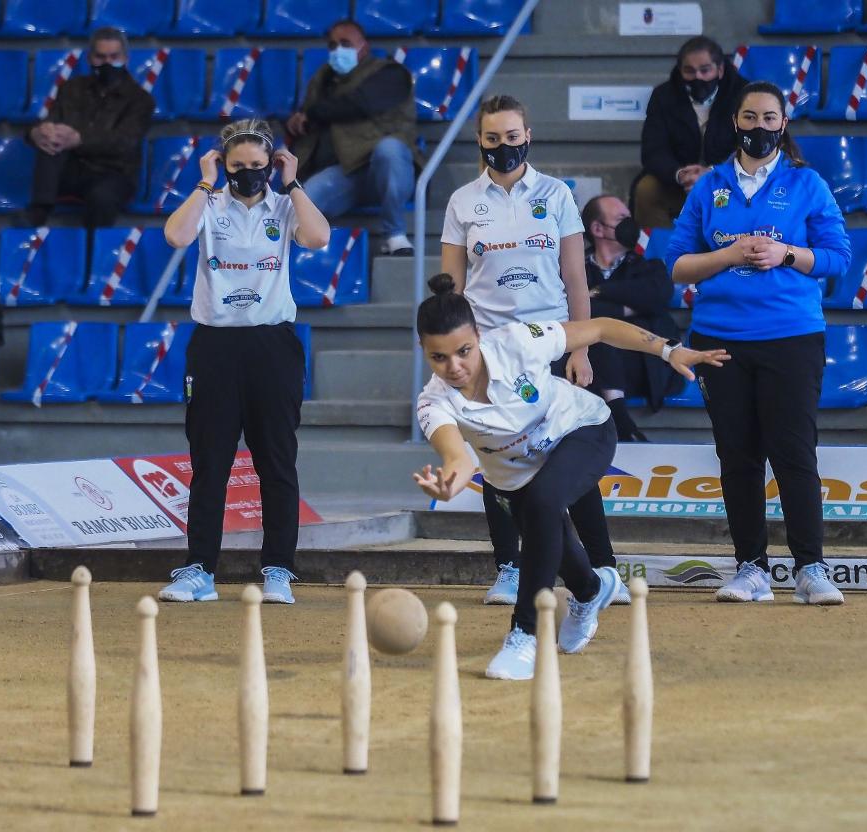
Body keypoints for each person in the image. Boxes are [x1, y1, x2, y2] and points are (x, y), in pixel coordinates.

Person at [413, 274, 729, 679]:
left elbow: (599, 328)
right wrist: (452, 481)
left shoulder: (516, 341)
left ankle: (524, 634)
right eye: (439, 358)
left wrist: (669, 351)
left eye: (464, 351)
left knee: (545, 502)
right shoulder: (433, 401)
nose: (455, 366)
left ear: (479, 335)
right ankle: (591, 591)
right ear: (423, 351)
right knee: (548, 527)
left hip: (582, 429)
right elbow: (456, 454)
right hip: (515, 475)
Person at [664, 81, 852, 605]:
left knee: (793, 454)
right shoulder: (710, 186)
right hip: (719, 340)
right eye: (750, 118)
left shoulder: (807, 183)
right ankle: (751, 568)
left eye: (770, 119)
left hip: (791, 337)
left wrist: (785, 254)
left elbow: (839, 258)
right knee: (737, 457)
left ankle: (811, 569)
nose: (760, 128)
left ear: (783, 125)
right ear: (735, 123)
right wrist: (727, 256)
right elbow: (677, 263)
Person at [439, 94, 610, 609]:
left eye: (512, 137)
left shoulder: (556, 195)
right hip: (487, 350)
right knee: (498, 458)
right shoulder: (463, 202)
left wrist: (580, 347)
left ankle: (601, 567)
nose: (503, 147)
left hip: (550, 343)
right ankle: (510, 568)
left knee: (564, 454)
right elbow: (450, 286)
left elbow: (575, 276)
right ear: (480, 141)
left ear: (528, 136)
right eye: (493, 139)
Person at [157, 119, 331, 606]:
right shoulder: (209, 205)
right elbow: (175, 236)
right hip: (214, 345)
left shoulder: (283, 205)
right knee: (209, 461)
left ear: (272, 165)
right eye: (238, 166)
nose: (249, 173)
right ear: (223, 164)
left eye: (258, 166)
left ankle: (278, 568)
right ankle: (200, 570)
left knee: (276, 459)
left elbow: (318, 238)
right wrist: (204, 180)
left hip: (272, 345)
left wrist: (293, 182)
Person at [287, 18, 424, 256]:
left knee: (389, 149)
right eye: (332, 45)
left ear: (364, 46)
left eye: (345, 43)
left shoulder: (391, 74)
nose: (338, 50)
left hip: (387, 171)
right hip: (346, 173)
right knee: (304, 200)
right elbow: (308, 117)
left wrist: (311, 114)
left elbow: (358, 104)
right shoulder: (323, 81)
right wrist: (295, 121)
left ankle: (395, 234)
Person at [21, 27, 154, 231]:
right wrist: (36, 133)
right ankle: (39, 210)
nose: (108, 63)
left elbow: (125, 143)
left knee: (101, 196)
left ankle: (93, 253)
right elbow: (50, 120)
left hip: (114, 172)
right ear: (90, 58)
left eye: (114, 56)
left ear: (125, 58)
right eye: (101, 57)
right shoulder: (71, 88)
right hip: (73, 167)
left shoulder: (140, 99)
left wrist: (79, 139)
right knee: (50, 138)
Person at [580, 194, 683, 441]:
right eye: (621, 219)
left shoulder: (649, 267)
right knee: (598, 333)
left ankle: (617, 417)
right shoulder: (575, 270)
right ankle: (621, 421)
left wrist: (598, 293)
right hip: (590, 370)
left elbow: (659, 294)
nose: (631, 225)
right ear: (597, 228)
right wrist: (626, 310)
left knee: (598, 329)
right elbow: (569, 309)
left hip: (644, 364)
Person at [632, 36, 747, 229]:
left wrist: (712, 173)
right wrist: (680, 174)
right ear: (680, 71)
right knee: (646, 190)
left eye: (705, 70)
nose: (698, 78)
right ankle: (660, 255)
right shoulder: (663, 96)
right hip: (681, 184)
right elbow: (653, 150)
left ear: (720, 70)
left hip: (728, 182)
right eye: (689, 71)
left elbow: (750, 150)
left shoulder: (745, 95)